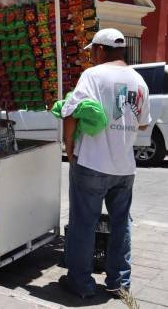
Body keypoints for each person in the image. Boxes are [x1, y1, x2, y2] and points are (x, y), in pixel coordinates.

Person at [59, 28, 151, 299]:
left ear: (100, 49)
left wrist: (68, 145)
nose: (92, 57)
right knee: (121, 224)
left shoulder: (93, 75)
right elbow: (143, 122)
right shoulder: (139, 81)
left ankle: (81, 284)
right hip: (124, 167)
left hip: (92, 163)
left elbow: (71, 110)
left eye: (93, 52)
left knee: (83, 224)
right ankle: (119, 284)